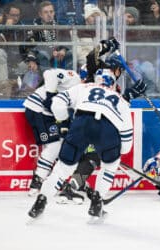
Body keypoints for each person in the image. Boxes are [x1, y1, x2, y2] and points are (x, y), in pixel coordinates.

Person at [27, 61, 134, 220]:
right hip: (107, 130)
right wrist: (118, 152)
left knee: (63, 168)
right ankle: (97, 202)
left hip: (81, 124)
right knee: (109, 166)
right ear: (112, 83)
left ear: (96, 80)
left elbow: (57, 103)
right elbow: (126, 134)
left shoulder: (83, 88)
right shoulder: (120, 99)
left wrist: (64, 122)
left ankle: (42, 199)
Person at [23, 68, 82, 196]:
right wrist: (50, 95)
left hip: (47, 114)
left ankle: (41, 180)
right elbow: (49, 73)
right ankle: (37, 181)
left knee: (58, 144)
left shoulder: (84, 94)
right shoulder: (75, 78)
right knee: (54, 146)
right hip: (38, 109)